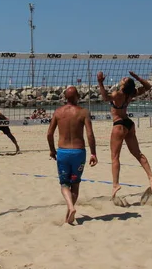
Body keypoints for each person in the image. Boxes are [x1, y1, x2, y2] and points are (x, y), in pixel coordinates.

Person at [97, 71, 152, 207]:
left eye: (125, 79)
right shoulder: (131, 93)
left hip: (119, 125)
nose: (123, 78)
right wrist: (137, 78)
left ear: (124, 85)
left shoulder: (118, 94)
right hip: (129, 125)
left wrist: (100, 82)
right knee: (137, 153)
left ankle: (115, 184)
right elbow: (148, 87)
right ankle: (150, 175)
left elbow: (105, 98)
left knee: (114, 157)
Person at [47, 86, 97, 224]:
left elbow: (49, 134)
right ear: (77, 97)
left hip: (63, 152)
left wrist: (52, 150)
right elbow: (90, 134)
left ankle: (70, 209)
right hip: (78, 152)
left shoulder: (58, 112)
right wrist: (93, 153)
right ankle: (70, 211)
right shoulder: (83, 112)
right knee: (75, 184)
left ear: (65, 98)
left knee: (64, 184)